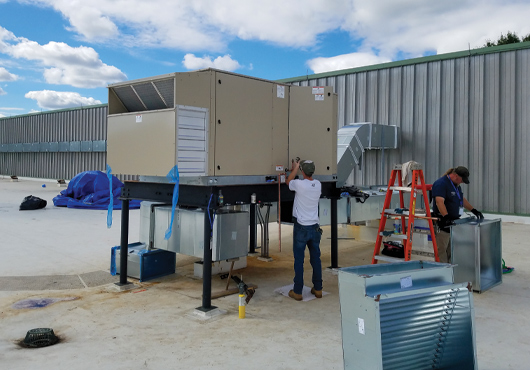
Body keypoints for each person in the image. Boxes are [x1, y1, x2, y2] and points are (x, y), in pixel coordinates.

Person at [285, 159, 323, 301]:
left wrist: (294, 168)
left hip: (301, 227)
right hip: (314, 227)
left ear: (302, 171)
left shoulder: (299, 185)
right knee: (316, 259)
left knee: (299, 260)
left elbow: (288, 181)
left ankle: (298, 292)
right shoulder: (318, 185)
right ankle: (318, 289)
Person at [431, 166, 484, 263]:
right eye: (462, 180)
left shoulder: (456, 185)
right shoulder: (441, 184)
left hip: (453, 222)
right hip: (443, 222)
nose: (462, 182)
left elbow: (461, 199)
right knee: (442, 250)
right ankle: (443, 271)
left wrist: (473, 210)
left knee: (452, 249)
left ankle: (452, 270)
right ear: (455, 176)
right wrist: (446, 217)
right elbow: (439, 202)